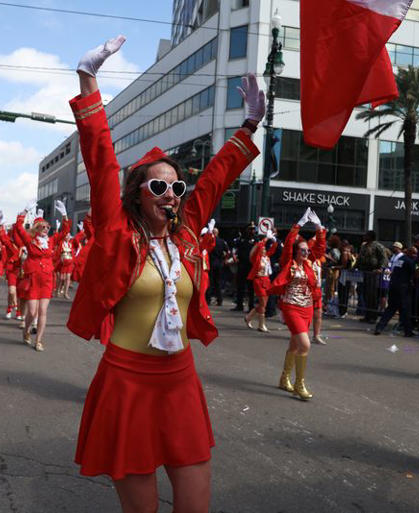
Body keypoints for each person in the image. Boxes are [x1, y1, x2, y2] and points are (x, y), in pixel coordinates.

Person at [68, 36, 263, 513]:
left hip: (180, 381)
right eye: (159, 185)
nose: (171, 193)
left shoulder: (187, 234)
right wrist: (88, 81)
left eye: (176, 186)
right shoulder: (117, 232)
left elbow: (216, 177)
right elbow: (100, 161)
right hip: (127, 383)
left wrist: (250, 124)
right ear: (137, 193)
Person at [270, 209, 324, 400]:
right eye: (302, 250)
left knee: (294, 345)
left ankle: (284, 379)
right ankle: (299, 385)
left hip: (307, 308)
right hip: (292, 307)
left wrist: (318, 228)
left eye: (307, 251)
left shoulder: (309, 264)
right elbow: (288, 245)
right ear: (295, 251)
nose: (306, 253)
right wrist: (299, 224)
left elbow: (319, 249)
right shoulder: (289, 262)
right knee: (304, 344)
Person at [15, 200, 70, 351]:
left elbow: (65, 232)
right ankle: (26, 331)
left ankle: (39, 340)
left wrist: (65, 215)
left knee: (43, 312)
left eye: (47, 227)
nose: (46, 229)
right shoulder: (30, 241)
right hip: (33, 279)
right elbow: (18, 228)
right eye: (43, 227)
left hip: (46, 279)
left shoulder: (51, 241)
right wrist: (24, 212)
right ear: (36, 229)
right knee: (32, 312)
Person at [373, 242, 415, 337]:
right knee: (405, 310)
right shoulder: (409, 261)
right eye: (413, 253)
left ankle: (379, 327)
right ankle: (408, 331)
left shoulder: (399, 260)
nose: (415, 255)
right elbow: (414, 273)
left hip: (394, 286)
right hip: (403, 288)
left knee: (390, 309)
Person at [244, 229, 278, 332]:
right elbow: (259, 246)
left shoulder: (266, 257)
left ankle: (249, 317)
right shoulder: (256, 258)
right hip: (258, 280)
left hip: (266, 280)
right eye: (262, 249)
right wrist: (266, 239)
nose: (263, 250)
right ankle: (261, 324)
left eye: (264, 249)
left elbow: (273, 249)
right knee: (263, 302)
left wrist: (274, 240)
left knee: (263, 303)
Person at [356, 230, 388, 322]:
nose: (364, 236)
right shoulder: (364, 246)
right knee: (366, 295)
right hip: (364, 273)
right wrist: (354, 267)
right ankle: (367, 316)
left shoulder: (378, 246)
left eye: (366, 235)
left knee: (372, 296)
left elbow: (384, 259)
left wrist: (380, 269)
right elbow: (359, 259)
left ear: (370, 236)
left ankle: (373, 317)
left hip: (374, 273)